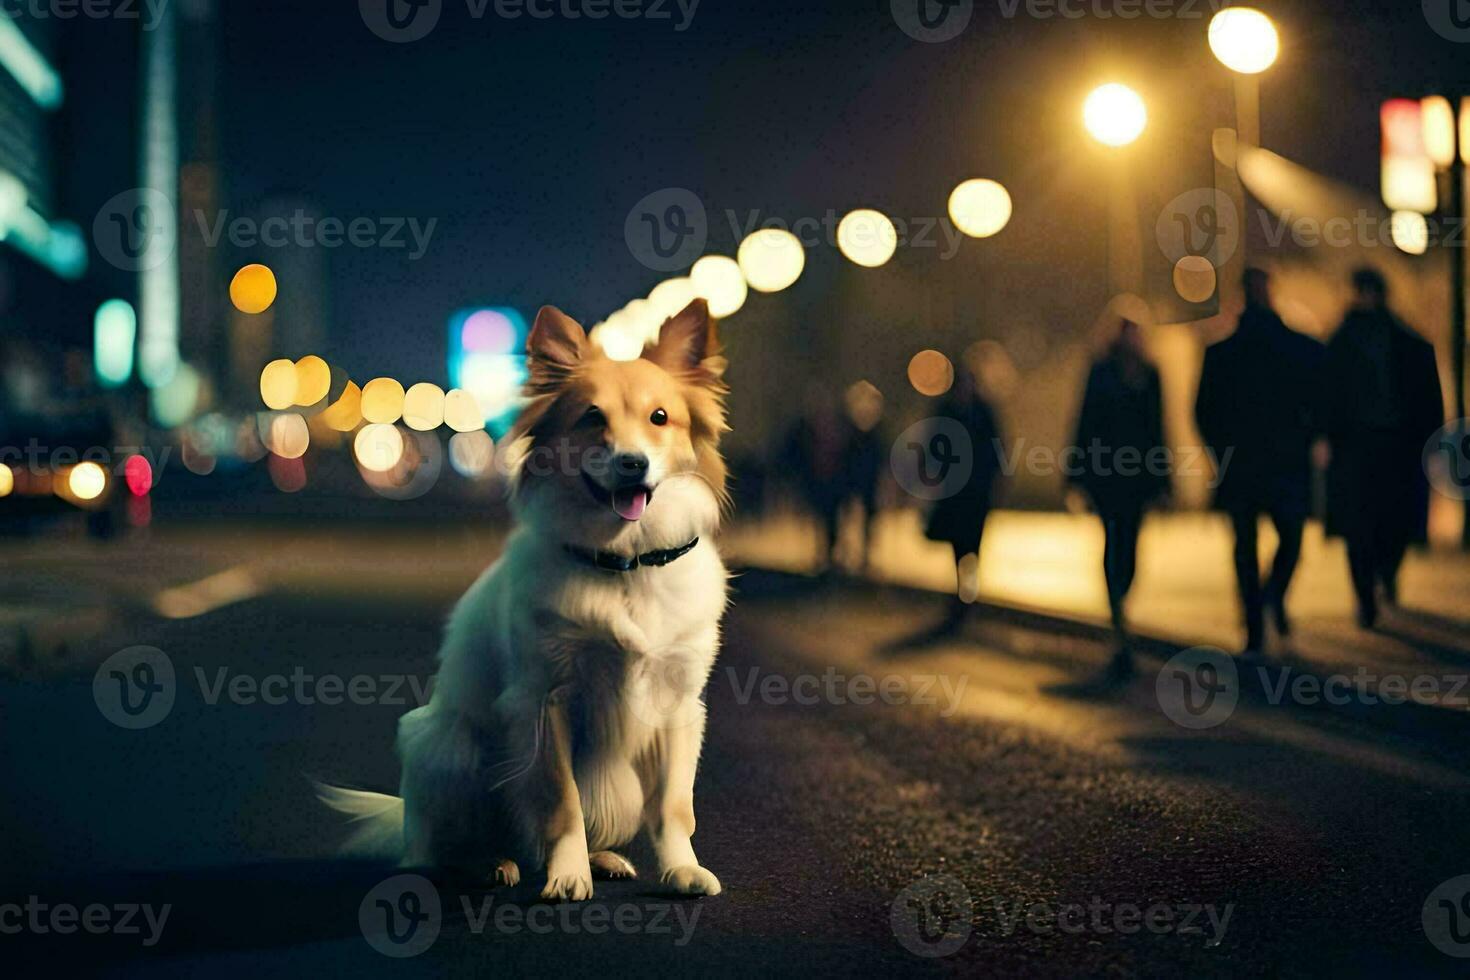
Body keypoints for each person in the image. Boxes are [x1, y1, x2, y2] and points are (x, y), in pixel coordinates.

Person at [1195, 268, 1324, 655]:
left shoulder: (1221, 353)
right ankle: (1271, 599)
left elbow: (1204, 412)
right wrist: (1305, 441)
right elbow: (1320, 402)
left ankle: (1254, 623)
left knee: (1245, 548)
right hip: (1286, 465)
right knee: (1291, 539)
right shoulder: (1300, 348)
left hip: (1243, 467)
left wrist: (1222, 453)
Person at [1322, 268, 1443, 628]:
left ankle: (1384, 576)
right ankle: (1365, 595)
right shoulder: (1343, 343)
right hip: (1359, 449)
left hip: (1394, 447)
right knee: (1362, 528)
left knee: (1390, 523)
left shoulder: (1400, 343)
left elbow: (1427, 400)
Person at [1070, 317, 1169, 672]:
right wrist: (1077, 475)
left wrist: (1162, 479)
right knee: (1114, 542)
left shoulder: (1150, 374)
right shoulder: (1101, 372)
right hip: (1106, 477)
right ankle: (1117, 616)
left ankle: (1120, 602)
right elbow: (1085, 421)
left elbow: (1159, 428)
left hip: (1138, 479)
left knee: (1131, 546)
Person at [924, 366, 1004, 630]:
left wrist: (997, 478)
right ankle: (964, 589)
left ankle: (968, 588)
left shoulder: (983, 412)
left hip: (978, 491)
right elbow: (933, 446)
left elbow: (996, 447)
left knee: (974, 540)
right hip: (954, 491)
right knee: (959, 542)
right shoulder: (946, 412)